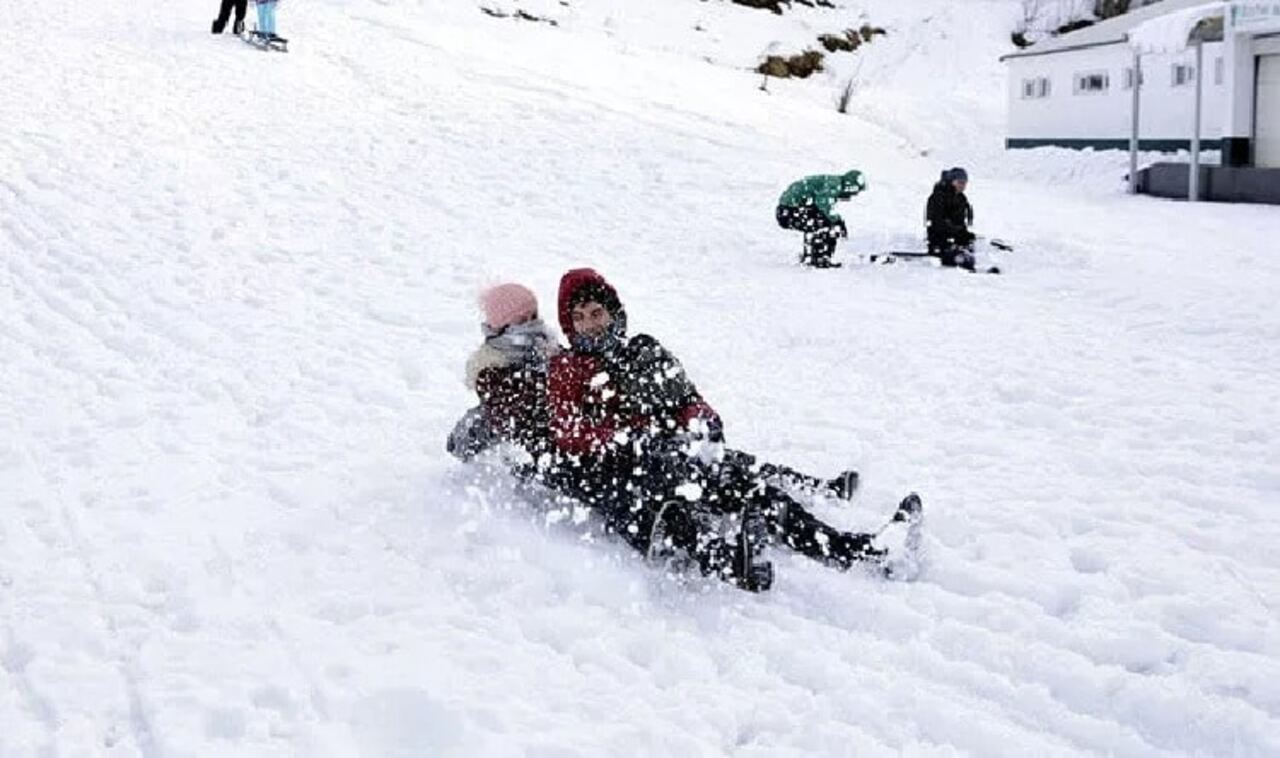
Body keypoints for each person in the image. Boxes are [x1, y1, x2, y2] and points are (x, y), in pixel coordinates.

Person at [546, 268, 921, 591]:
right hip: (629, 469)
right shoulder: (567, 369)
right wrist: (628, 438)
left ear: (613, 313)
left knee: (757, 491)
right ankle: (733, 563)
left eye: (597, 313)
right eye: (579, 317)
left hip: (676, 453)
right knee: (674, 513)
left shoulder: (643, 350)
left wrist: (703, 420)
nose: (591, 324)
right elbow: (568, 432)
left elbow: (685, 398)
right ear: (569, 324)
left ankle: (863, 551)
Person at [447, 283, 560, 463]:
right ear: (501, 327)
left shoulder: (545, 345)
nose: (532, 324)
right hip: (502, 422)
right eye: (522, 320)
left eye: (534, 316)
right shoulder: (491, 363)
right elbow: (510, 403)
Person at [775, 170, 867, 268]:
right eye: (855, 192)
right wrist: (837, 221)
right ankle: (820, 259)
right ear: (850, 187)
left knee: (816, 222)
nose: (853, 196)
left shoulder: (833, 182)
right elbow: (823, 205)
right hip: (789, 211)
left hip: (786, 210)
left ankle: (811, 256)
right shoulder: (834, 185)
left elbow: (820, 207)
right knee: (825, 226)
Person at [925, 167, 976, 270]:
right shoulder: (939, 196)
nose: (962, 186)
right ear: (952, 182)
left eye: (964, 183)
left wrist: (961, 231)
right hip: (939, 233)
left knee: (968, 238)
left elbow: (961, 220)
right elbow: (936, 220)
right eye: (960, 182)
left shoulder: (961, 198)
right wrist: (952, 228)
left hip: (954, 232)